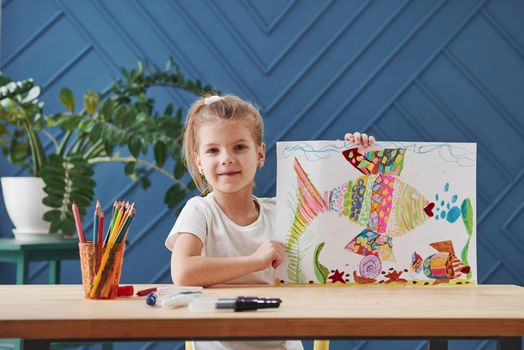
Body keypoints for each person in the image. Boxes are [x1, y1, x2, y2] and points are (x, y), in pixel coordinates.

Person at [165, 94, 375, 350]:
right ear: (199, 162)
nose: (227, 158)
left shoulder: (283, 212)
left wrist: (352, 156)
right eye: (212, 150)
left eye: (239, 147)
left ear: (261, 154)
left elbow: (342, 220)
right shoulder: (199, 211)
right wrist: (255, 261)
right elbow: (184, 272)